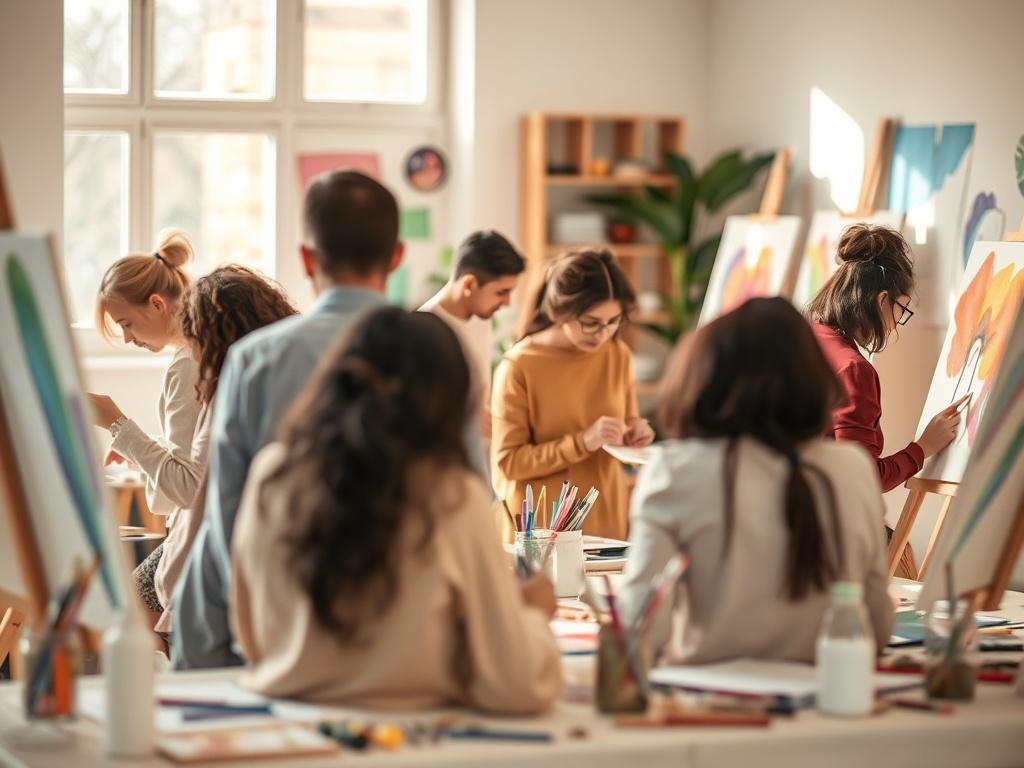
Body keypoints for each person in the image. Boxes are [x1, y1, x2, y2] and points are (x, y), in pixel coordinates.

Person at [231, 307, 560, 712]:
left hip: (285, 727)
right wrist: (533, 619)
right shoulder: (452, 495)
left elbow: (250, 635)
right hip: (411, 736)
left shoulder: (272, 474)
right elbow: (514, 683)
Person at [172, 171, 406, 669]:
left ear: (306, 258)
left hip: (279, 633)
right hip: (401, 631)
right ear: (398, 255)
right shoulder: (438, 356)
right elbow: (473, 501)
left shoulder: (257, 360)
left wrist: (198, 656)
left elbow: (226, 517)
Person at [618, 298, 893, 664]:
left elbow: (641, 629)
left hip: (709, 706)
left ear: (703, 376)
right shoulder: (852, 467)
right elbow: (875, 628)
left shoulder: (674, 470)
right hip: (829, 701)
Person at [807, 224, 965, 575]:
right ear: (882, 301)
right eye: (901, 311)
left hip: (775, 520)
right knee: (903, 564)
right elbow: (862, 478)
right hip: (827, 537)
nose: (897, 324)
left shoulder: (801, 339)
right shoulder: (852, 370)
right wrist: (922, 448)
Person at [153, 264, 297, 638]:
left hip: (212, 579)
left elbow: (192, 491)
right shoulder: (283, 379)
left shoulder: (227, 392)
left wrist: (118, 427)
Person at [491, 249, 654, 541]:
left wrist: (634, 434)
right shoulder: (519, 366)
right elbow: (508, 463)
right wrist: (582, 442)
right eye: (591, 322)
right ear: (559, 312)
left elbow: (627, 421)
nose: (603, 333)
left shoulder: (617, 355)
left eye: (614, 321)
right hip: (541, 535)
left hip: (607, 524)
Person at [88, 229, 202, 628]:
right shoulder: (198, 352)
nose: (127, 338)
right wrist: (144, 443)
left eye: (127, 324)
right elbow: (196, 449)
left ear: (157, 304)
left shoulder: (187, 364)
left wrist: (117, 424)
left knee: (134, 603)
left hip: (202, 531)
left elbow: (187, 483)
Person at [419, 230, 525, 436]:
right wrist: (465, 421)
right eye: (501, 292)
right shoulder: (424, 329)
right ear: (468, 284)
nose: (507, 303)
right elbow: (415, 414)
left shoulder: (480, 317)